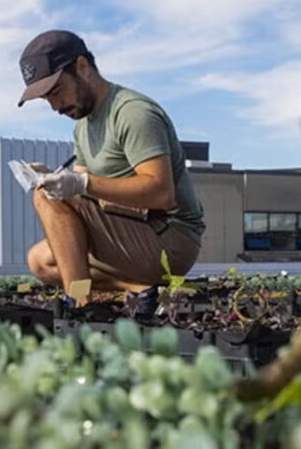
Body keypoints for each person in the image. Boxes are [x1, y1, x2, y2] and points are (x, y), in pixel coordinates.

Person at [17, 29, 205, 303]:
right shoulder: (83, 127)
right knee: (41, 261)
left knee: (44, 198)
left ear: (82, 67)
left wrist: (78, 184)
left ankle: (78, 301)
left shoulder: (132, 112)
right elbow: (79, 196)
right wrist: (54, 178)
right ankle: (138, 287)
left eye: (56, 91)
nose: (55, 106)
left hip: (169, 239)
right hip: (129, 233)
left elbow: (160, 193)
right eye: (47, 99)